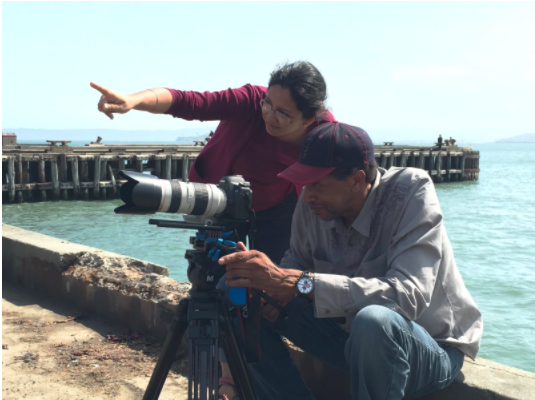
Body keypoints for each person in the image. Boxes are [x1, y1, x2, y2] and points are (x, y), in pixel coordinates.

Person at [219, 122, 483, 400]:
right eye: (304, 184)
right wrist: (265, 285)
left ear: (357, 180)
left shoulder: (411, 191)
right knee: (238, 290)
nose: (307, 196)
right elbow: (294, 266)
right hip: (346, 338)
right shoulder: (315, 204)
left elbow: (408, 296)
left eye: (318, 184)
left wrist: (292, 282)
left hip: (428, 348)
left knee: (374, 321)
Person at [91, 61, 335, 264]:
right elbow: (189, 101)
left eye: (283, 114)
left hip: (279, 206)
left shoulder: (325, 132)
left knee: (273, 274)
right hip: (220, 198)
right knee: (211, 270)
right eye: (268, 104)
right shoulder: (250, 100)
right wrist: (133, 101)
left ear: (309, 118)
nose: (270, 116)